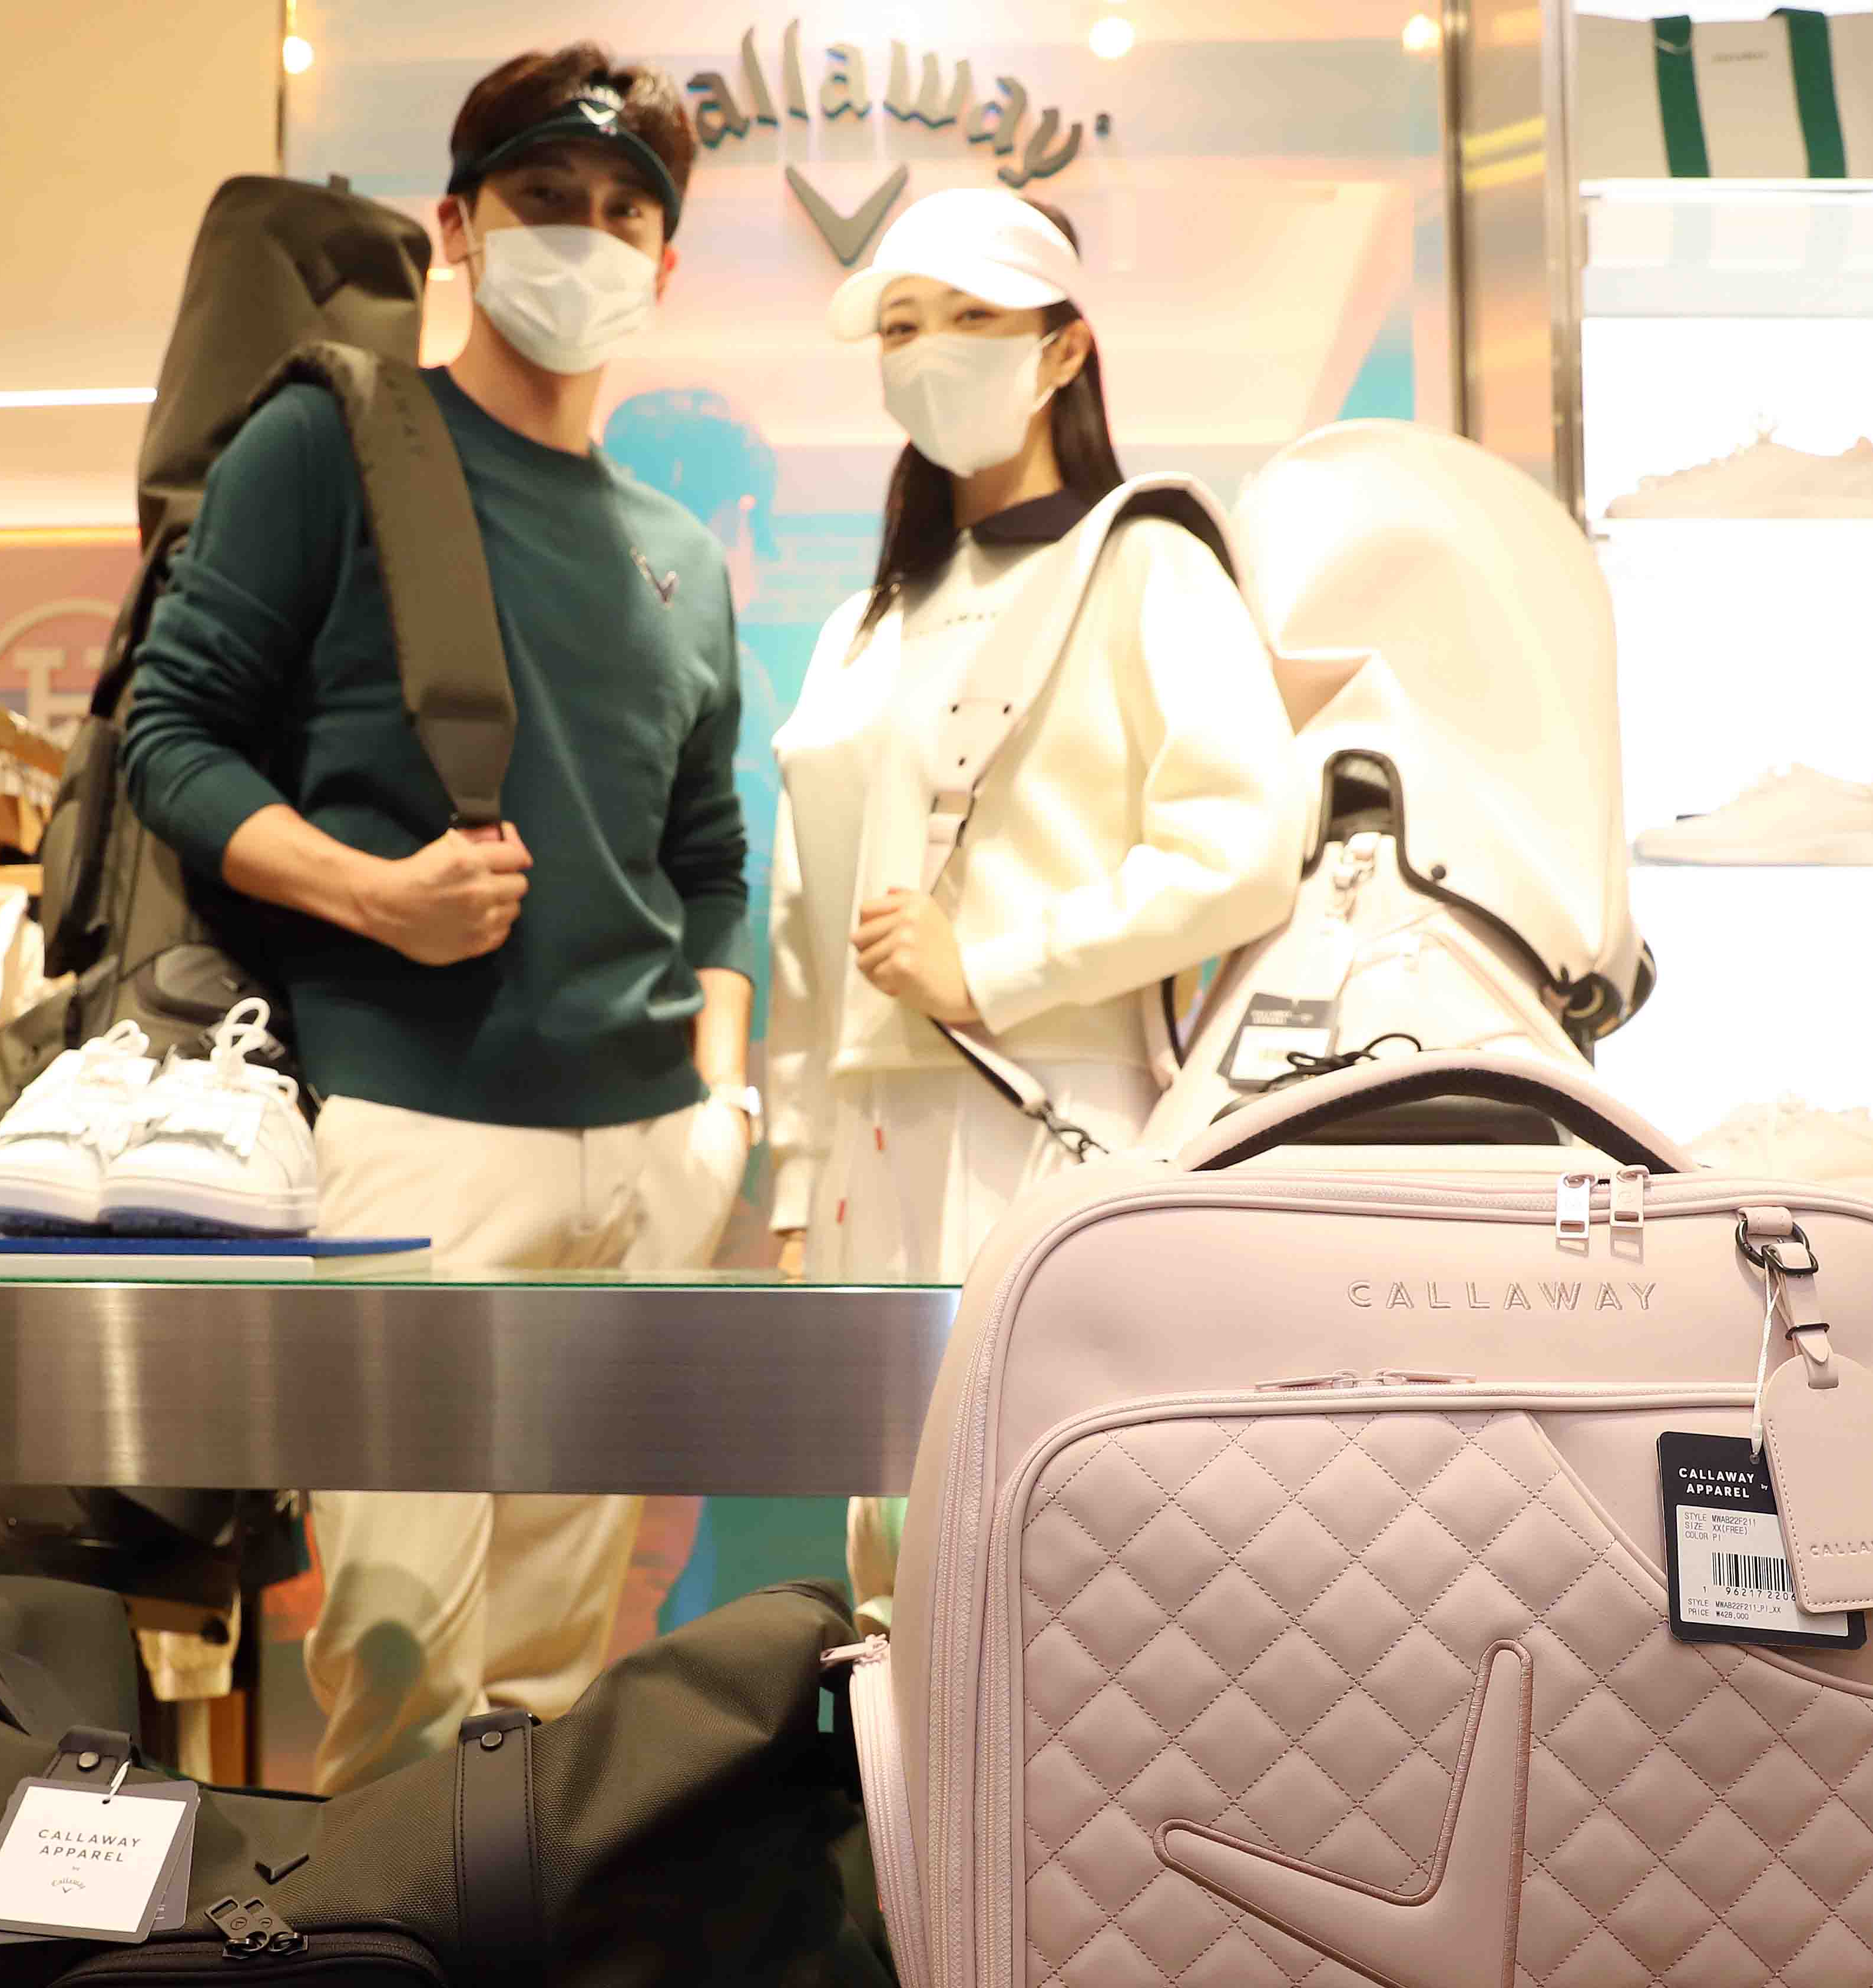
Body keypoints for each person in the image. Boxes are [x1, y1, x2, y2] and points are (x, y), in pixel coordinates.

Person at [123, 44, 756, 1789]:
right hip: (414, 1131)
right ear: (459, 227)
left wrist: (718, 1093)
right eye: (545, 200)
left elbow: (709, 853)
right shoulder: (337, 443)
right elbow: (172, 733)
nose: (585, 238)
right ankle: (383, 1960)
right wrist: (371, 893)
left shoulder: (677, 553)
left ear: (665, 264)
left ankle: (501, 1951)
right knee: (398, 1651)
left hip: (644, 1153)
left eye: (623, 213)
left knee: (550, 1674)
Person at [766, 188, 1303, 1624]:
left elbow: (1246, 843)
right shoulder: (865, 620)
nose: (928, 350)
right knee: (889, 1563)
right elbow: (805, 916)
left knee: (1050, 1548)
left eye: (970, 317)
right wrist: (794, 1171)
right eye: (899, 325)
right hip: (866, 1137)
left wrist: (995, 965)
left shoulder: (1143, 563)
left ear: (1062, 350)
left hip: (1050, 1107)